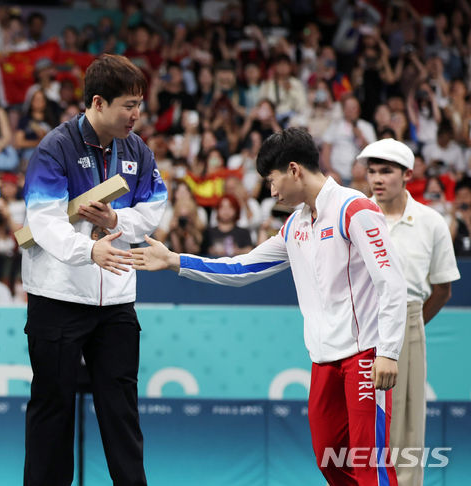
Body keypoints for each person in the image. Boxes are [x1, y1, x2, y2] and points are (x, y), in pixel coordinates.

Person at [132, 127, 406, 485]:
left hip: (365, 356)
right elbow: (241, 268)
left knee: (370, 466)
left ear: (294, 169)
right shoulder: (295, 226)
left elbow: (392, 283)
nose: (271, 191)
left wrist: (388, 351)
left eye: (272, 180)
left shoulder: (355, 209)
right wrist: (174, 261)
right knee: (329, 459)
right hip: (324, 362)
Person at [21, 54, 167, 486]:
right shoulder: (55, 147)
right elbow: (43, 220)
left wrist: (116, 222)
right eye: (128, 104)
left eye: (139, 104)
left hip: (118, 300)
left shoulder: (138, 149)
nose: (136, 114)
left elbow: (154, 208)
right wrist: (89, 250)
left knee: (122, 410)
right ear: (98, 103)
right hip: (58, 298)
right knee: (52, 408)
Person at [359, 138, 460, 486]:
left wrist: (406, 326)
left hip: (409, 323)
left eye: (386, 171)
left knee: (406, 430)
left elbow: (442, 289)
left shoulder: (431, 222)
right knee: (356, 430)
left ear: (407, 175)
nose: (377, 178)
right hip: (359, 326)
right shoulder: (355, 218)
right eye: (372, 171)